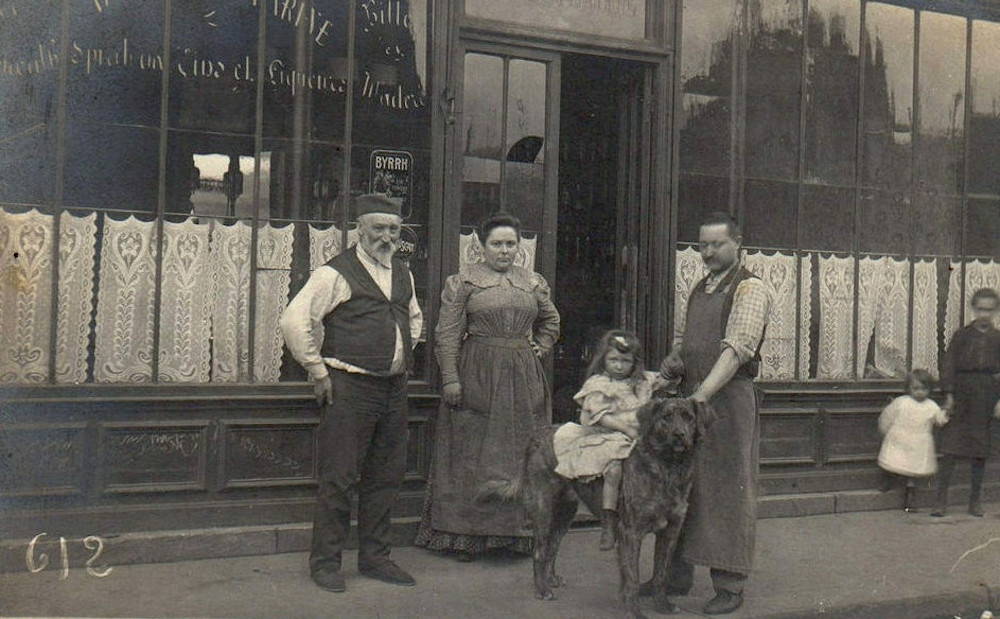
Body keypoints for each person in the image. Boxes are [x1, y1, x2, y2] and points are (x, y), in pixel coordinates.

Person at [279, 193, 423, 593]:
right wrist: (317, 370)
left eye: (393, 229)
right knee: (340, 478)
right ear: (359, 229)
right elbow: (294, 320)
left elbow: (413, 318)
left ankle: (376, 559)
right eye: (378, 228)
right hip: (350, 387)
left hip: (393, 389)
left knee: (385, 477)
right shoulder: (335, 273)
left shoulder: (403, 273)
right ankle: (326, 563)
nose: (386, 236)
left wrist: (399, 357)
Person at [415, 212, 560, 561]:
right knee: (474, 455)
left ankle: (515, 535)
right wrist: (450, 377)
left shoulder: (532, 281)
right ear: (481, 246)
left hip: (523, 376)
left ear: (519, 246)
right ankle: (468, 536)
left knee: (520, 454)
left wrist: (543, 343)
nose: (504, 250)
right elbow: (447, 334)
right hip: (477, 372)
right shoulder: (464, 282)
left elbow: (551, 319)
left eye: (511, 244)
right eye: (497, 243)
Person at [654, 211, 770, 616]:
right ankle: (672, 576)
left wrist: (701, 395)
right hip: (690, 402)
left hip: (727, 403)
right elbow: (685, 344)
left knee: (727, 489)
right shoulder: (700, 287)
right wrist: (665, 373)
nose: (707, 252)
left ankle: (730, 583)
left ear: (737, 243)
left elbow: (737, 349)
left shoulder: (750, 289)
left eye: (716, 244)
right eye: (702, 245)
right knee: (681, 488)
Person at [552, 329, 668, 551]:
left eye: (625, 361)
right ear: (603, 359)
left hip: (637, 439)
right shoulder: (599, 384)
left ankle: (655, 510)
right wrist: (624, 427)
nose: (618, 366)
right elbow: (598, 415)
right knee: (614, 471)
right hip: (608, 437)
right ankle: (608, 520)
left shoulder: (641, 381)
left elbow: (664, 380)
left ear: (635, 363)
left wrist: (673, 369)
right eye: (613, 360)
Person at [933, 287, 1000, 518]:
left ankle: (974, 501)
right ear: (974, 309)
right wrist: (949, 394)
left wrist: (999, 400)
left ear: (995, 311)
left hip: (986, 394)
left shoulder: (997, 338)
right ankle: (941, 501)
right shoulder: (961, 335)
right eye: (981, 309)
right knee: (950, 449)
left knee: (980, 451)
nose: (984, 314)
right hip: (962, 394)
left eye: (989, 310)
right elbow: (949, 365)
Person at [877, 369, 949, 512]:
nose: (920, 392)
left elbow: (939, 420)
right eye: (916, 389)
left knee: (913, 468)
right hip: (900, 437)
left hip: (919, 441)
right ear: (908, 388)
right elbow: (888, 415)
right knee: (893, 459)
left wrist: (944, 413)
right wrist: (884, 429)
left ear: (929, 390)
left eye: (924, 389)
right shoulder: (901, 402)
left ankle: (910, 494)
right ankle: (888, 478)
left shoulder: (931, 405)